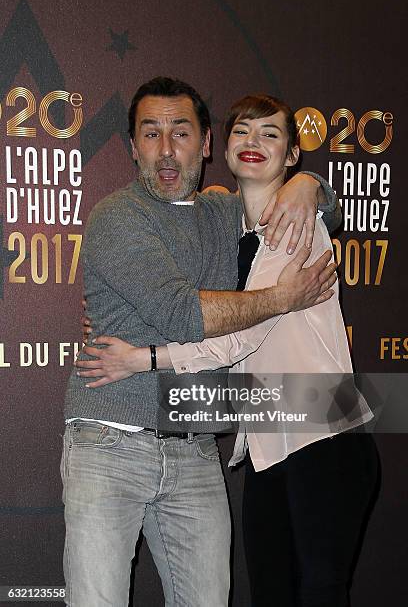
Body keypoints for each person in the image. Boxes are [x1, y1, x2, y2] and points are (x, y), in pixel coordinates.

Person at [77, 94, 379, 607]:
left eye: (270, 134)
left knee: (320, 592)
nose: (254, 143)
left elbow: (237, 335)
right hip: (265, 440)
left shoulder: (294, 227)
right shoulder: (223, 220)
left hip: (324, 430)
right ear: (224, 145)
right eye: (243, 131)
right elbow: (190, 306)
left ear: (291, 156)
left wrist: (143, 356)